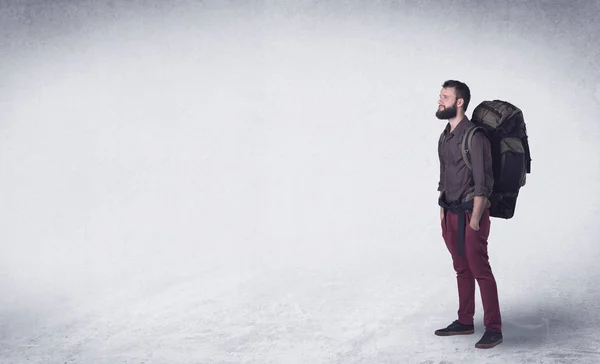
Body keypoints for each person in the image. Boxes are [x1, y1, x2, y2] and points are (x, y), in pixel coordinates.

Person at [434, 80, 503, 349]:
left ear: (459, 102)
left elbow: (483, 183)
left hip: (471, 216)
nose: (439, 101)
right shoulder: (445, 135)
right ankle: (465, 321)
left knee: (480, 270)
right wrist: (441, 210)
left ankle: (494, 328)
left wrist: (475, 219)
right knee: (461, 268)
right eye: (440, 96)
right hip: (449, 213)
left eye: (445, 97)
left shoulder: (475, 137)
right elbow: (443, 176)